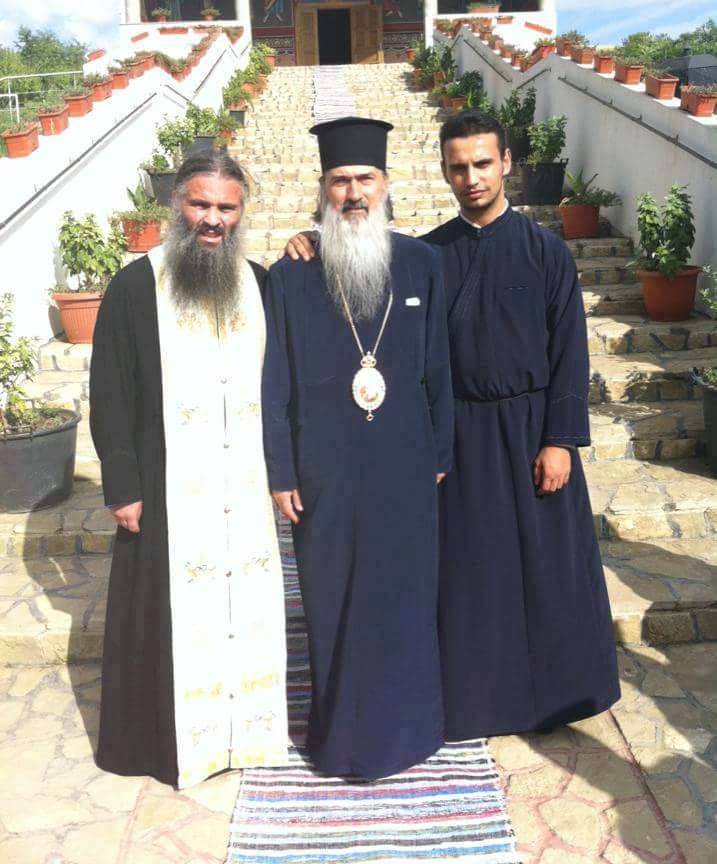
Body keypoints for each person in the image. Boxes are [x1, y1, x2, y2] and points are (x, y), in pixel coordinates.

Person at [282, 111, 620, 742]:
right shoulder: (427, 256)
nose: (472, 178)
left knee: (547, 570)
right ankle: (478, 703)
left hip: (531, 431)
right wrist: (311, 238)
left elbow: (571, 352)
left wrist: (561, 439)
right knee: (471, 575)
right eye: (459, 167)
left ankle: (556, 700)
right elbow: (366, 285)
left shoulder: (546, 251)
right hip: (459, 434)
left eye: (483, 164)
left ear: (507, 163)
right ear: (443, 172)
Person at [90, 150, 289, 789]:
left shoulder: (260, 284)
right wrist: (123, 484)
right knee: (164, 620)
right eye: (201, 204)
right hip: (165, 488)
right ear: (176, 203)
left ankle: (247, 736)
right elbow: (110, 393)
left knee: (243, 607)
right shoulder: (134, 287)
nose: (213, 219)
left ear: (241, 212)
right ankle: (169, 744)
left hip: (244, 490)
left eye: (226, 207)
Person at [262, 117, 454, 780]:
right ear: (322, 188)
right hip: (325, 471)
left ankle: (412, 729)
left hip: (407, 464)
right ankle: (341, 738)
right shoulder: (289, 277)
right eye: (339, 180)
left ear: (386, 183)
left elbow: (439, 369)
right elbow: (275, 381)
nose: (353, 193)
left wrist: (440, 455)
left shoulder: (423, 264)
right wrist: (281, 469)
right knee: (333, 598)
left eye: (364, 178)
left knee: (404, 595)